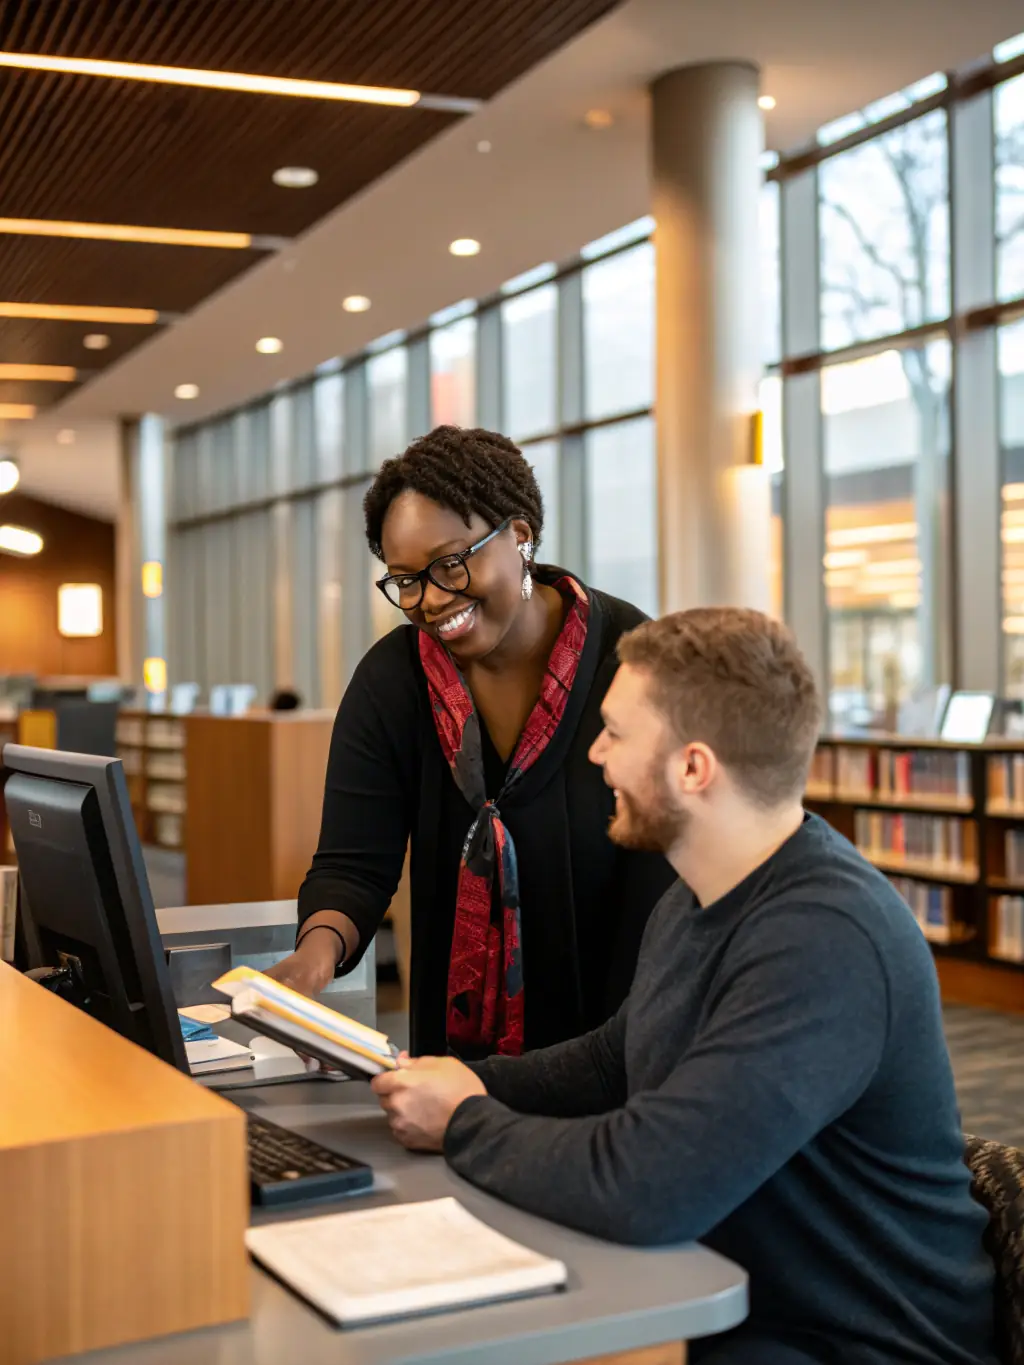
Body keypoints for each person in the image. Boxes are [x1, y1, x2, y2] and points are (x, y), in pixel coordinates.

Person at [372, 607, 996, 1365]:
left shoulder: (827, 940)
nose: (594, 754)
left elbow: (648, 1185)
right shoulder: (697, 891)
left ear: (694, 768)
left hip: (851, 1343)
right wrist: (463, 1079)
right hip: (737, 1298)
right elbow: (614, 1059)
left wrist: (464, 1119)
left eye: (615, 733)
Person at [269, 426, 675, 1058]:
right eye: (405, 580)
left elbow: (665, 874)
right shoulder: (394, 679)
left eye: (451, 563)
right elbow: (353, 864)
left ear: (519, 536)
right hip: (457, 1062)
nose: (431, 600)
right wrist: (311, 960)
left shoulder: (633, 657)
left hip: (620, 1039)